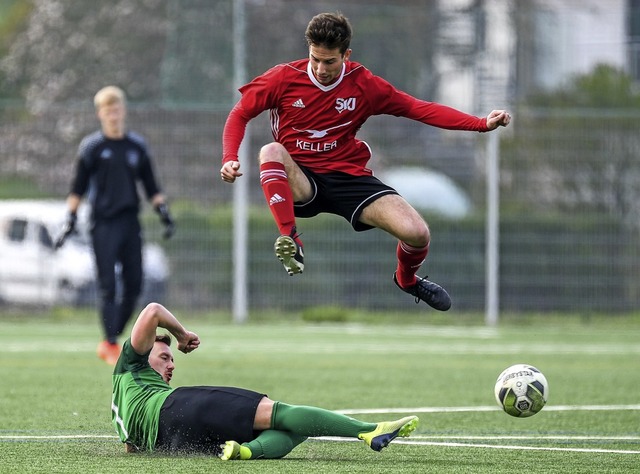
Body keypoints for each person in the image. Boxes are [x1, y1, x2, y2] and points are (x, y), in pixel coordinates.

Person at [220, 12, 511, 311]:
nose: (320, 69)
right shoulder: (282, 78)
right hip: (301, 178)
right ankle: (290, 240)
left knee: (417, 233)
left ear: (346, 54)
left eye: (329, 62)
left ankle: (407, 280)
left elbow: (418, 108)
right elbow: (239, 114)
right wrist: (229, 158)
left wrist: (479, 123)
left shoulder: (364, 85)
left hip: (348, 177)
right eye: (314, 59)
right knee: (271, 151)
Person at [111, 302, 419, 459]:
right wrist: (181, 335)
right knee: (282, 414)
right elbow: (152, 310)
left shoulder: (122, 411)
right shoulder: (130, 365)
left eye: (172, 359)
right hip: (176, 407)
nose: (171, 364)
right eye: (164, 357)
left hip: (173, 443)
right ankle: (369, 431)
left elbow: (132, 450)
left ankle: (247, 452)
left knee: (297, 428)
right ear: (142, 353)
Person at [61, 85, 175, 365]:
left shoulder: (136, 146)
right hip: (103, 223)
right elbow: (78, 186)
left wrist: (163, 211)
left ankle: (115, 334)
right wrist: (70, 219)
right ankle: (110, 343)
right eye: (107, 110)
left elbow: (150, 185)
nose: (113, 114)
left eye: (117, 108)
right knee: (108, 285)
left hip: (129, 221)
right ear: (100, 113)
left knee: (135, 284)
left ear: (123, 110)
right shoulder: (92, 147)